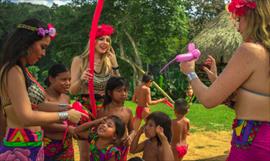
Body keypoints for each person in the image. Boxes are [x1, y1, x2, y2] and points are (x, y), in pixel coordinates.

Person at [179, 0, 270, 160]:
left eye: (239, 19)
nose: (237, 27)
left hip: (252, 144)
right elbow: (252, 102)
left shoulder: (250, 51)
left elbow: (208, 100)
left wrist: (190, 73)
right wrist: (217, 80)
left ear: (252, 18)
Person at [0, 18, 85, 160]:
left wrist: (67, 107)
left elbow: (38, 105)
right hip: (20, 148)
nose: (44, 53)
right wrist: (66, 115)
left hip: (31, 145)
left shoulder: (22, 71)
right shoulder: (13, 71)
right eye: (43, 47)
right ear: (27, 43)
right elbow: (26, 116)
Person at [70, 24, 120, 160]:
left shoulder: (108, 62)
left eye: (108, 40)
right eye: (101, 39)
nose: (105, 43)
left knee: (103, 152)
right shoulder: (79, 61)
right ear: (93, 41)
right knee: (85, 154)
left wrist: (115, 64)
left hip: (104, 110)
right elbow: (72, 90)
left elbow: (118, 86)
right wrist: (81, 80)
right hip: (86, 111)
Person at [97, 77, 136, 161]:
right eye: (119, 91)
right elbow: (98, 131)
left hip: (123, 149)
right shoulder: (103, 111)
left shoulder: (127, 111)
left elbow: (132, 130)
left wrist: (130, 137)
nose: (123, 93)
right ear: (110, 93)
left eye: (125, 90)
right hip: (107, 151)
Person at [42, 64, 75, 161]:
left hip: (67, 145)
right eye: (63, 80)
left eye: (69, 79)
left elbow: (69, 119)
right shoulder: (43, 98)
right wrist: (68, 128)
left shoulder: (66, 98)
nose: (68, 83)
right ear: (51, 79)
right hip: (48, 145)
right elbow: (43, 123)